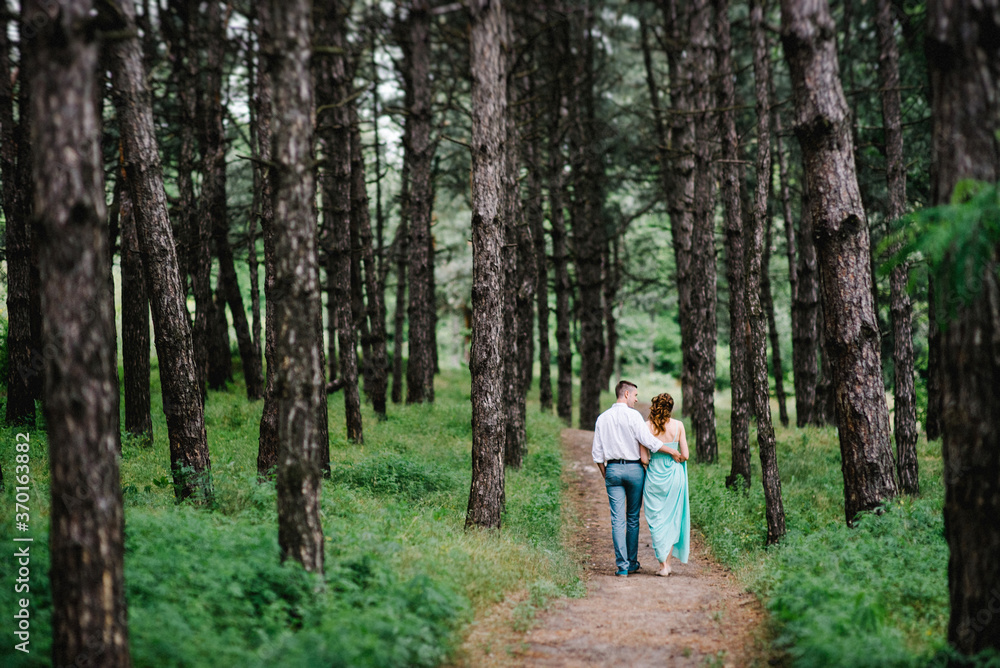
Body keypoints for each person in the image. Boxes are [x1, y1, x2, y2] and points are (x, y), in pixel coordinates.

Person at [592, 380, 671, 577]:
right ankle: (633, 562)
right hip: (635, 470)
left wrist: (606, 473)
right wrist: (671, 451)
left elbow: (597, 454)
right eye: (635, 395)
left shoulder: (602, 418)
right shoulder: (634, 416)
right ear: (626, 394)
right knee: (633, 518)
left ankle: (622, 566)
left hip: (613, 470)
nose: (636, 400)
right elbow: (649, 442)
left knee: (617, 520)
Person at [640, 392, 690, 577]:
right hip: (674, 475)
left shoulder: (646, 427)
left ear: (655, 406)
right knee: (671, 520)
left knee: (657, 521)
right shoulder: (678, 426)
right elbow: (685, 455)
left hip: (654, 475)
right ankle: (666, 565)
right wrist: (673, 453)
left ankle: (663, 565)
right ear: (671, 408)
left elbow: (644, 459)